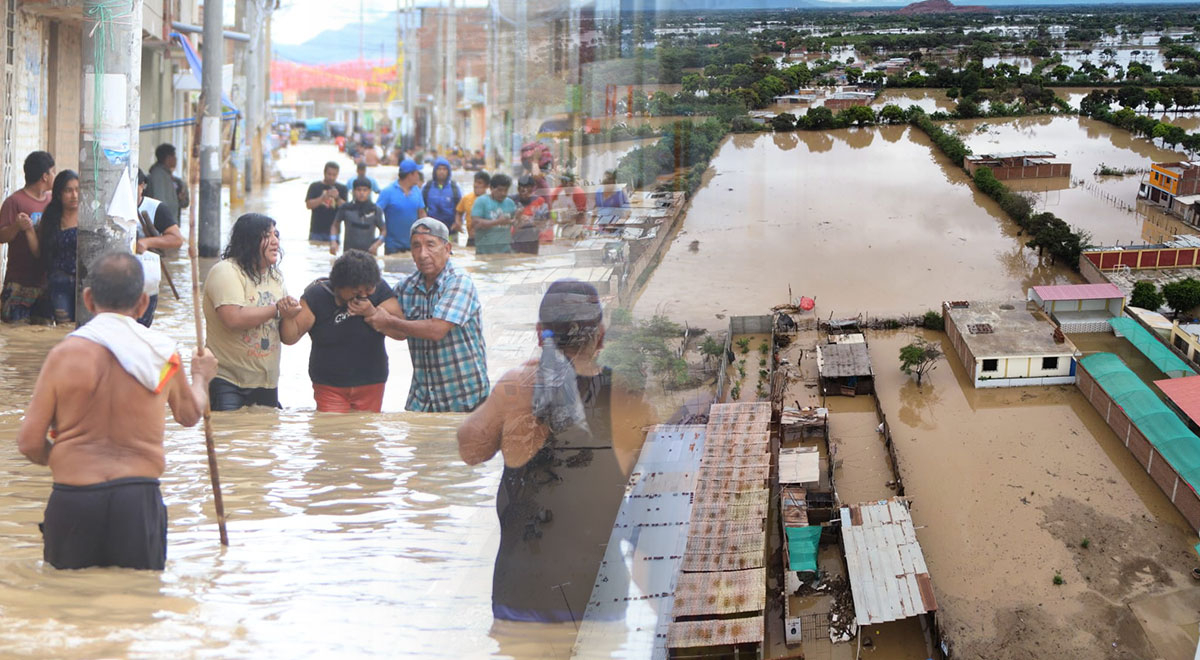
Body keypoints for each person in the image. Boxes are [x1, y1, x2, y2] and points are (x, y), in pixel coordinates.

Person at [457, 280, 651, 622]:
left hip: (519, 596)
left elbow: (470, 450)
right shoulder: (625, 399)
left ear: (538, 333)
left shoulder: (514, 389)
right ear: (601, 338)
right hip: (597, 598)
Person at [16, 251, 217, 570]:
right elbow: (190, 414)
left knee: (69, 609)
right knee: (137, 607)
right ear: (142, 303)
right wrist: (201, 377)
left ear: (88, 300)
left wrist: (64, 457)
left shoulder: (63, 356)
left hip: (74, 497)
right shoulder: (162, 353)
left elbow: (28, 442)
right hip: (137, 499)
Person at [361, 219, 488, 412]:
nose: (423, 254)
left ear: (447, 248)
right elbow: (394, 328)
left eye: (430, 245)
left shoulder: (459, 282)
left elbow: (436, 330)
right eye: (416, 246)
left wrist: (388, 321)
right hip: (423, 400)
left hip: (465, 398)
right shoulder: (406, 287)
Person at [279, 250, 405, 413]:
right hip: (329, 384)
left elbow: (401, 332)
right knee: (333, 433)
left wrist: (372, 314)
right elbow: (290, 337)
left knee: (365, 433)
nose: (364, 296)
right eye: (356, 292)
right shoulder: (317, 295)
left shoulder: (379, 290)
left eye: (368, 290)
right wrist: (287, 317)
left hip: (371, 381)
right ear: (339, 286)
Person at [202, 213, 294, 411]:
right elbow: (233, 318)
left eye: (276, 235)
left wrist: (297, 313)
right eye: (267, 236)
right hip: (227, 380)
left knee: (263, 440)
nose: (275, 241)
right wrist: (277, 309)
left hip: (266, 381)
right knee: (229, 438)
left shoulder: (275, 276)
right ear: (249, 240)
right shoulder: (226, 271)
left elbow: (287, 336)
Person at [0, 151, 55, 322]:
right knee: (14, 331)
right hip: (18, 283)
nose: (55, 176)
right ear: (45, 176)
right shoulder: (14, 202)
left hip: (45, 283)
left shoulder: (53, 201)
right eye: (53, 172)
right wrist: (17, 226)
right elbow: (2, 237)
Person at [136, 168, 185, 328]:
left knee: (142, 327)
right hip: (115, 275)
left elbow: (177, 239)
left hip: (146, 275)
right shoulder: (112, 206)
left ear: (142, 186)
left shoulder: (156, 208)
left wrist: (148, 243)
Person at [29, 171, 79, 324]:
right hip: (59, 284)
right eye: (68, 190)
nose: (74, 195)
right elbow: (40, 252)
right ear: (58, 194)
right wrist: (28, 231)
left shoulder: (90, 217)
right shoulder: (51, 219)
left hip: (84, 285)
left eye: (78, 190)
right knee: (64, 327)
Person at [376, 159, 426, 255]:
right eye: (416, 173)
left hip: (413, 245)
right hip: (393, 246)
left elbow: (422, 214)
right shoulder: (388, 192)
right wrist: (382, 231)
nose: (418, 176)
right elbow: (375, 213)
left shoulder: (417, 191)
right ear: (410, 175)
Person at [331, 178, 386, 255]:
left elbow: (383, 230)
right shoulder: (345, 208)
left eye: (365, 190)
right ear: (353, 191)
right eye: (358, 190)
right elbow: (335, 226)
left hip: (369, 255)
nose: (361, 193)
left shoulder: (375, 210)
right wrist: (333, 241)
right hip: (349, 254)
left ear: (370, 191)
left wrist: (377, 244)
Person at [471, 173, 517, 255]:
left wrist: (519, 219)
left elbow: (515, 225)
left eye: (506, 190)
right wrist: (498, 222)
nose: (503, 193)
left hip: (505, 252)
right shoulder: (481, 201)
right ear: (491, 188)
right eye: (500, 190)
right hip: (484, 252)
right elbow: (475, 224)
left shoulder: (510, 203)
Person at [305, 161, 348, 242]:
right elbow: (308, 205)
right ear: (324, 173)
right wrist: (322, 198)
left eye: (334, 175)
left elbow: (346, 209)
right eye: (329, 174)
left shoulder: (342, 188)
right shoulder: (314, 186)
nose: (331, 177)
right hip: (316, 231)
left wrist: (337, 198)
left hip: (335, 232)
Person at [423, 157, 462, 241]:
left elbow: (460, 208)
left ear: (448, 171)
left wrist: (458, 222)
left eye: (444, 169)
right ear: (435, 171)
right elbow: (421, 207)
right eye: (439, 169)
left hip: (450, 229)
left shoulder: (454, 187)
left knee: (451, 251)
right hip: (431, 229)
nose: (441, 172)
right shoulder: (427, 187)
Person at [513, 175, 550, 254]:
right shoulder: (511, 201)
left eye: (528, 190)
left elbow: (545, 221)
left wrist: (534, 220)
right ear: (518, 189)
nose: (525, 193)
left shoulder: (539, 201)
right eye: (522, 189)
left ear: (533, 189)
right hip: (515, 241)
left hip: (532, 241)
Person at [146, 144, 181, 223]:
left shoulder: (167, 175)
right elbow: (159, 201)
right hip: (164, 224)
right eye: (174, 156)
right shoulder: (158, 175)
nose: (176, 159)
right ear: (168, 158)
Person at [456, 171, 490, 248]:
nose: (476, 185)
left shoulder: (491, 200)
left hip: (487, 239)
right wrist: (458, 222)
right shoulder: (466, 198)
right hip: (471, 238)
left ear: (487, 186)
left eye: (480, 183)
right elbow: (459, 212)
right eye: (475, 182)